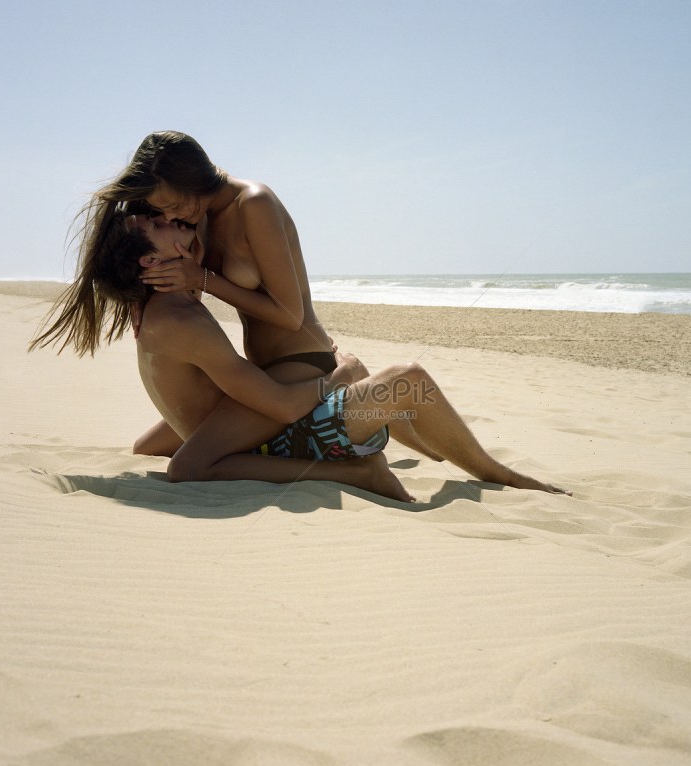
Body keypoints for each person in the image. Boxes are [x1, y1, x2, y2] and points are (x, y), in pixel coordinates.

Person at [32, 211, 569, 498]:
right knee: (408, 379)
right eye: (159, 223)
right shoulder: (184, 318)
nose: (173, 220)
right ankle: (490, 474)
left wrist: (192, 262)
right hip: (291, 436)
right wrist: (335, 377)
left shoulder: (153, 307)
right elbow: (281, 410)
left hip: (253, 426)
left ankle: (406, 431)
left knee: (156, 446)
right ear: (151, 260)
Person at [72, 130, 437, 461]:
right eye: (160, 211)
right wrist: (140, 298)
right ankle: (393, 423)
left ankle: (354, 382)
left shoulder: (254, 202)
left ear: (194, 179)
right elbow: (146, 250)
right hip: (262, 370)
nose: (170, 215)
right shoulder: (194, 217)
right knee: (146, 449)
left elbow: (290, 315)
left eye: (172, 204)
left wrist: (203, 278)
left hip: (302, 359)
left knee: (196, 461)